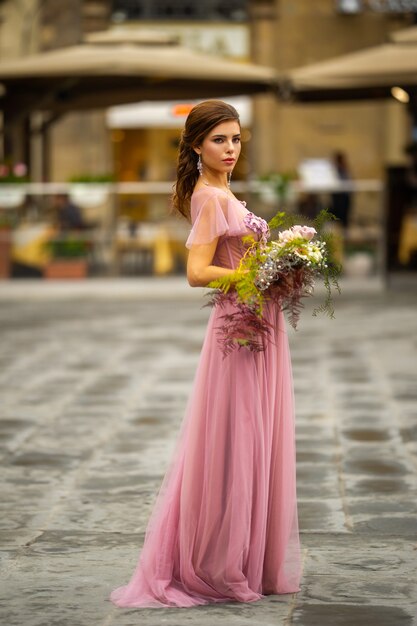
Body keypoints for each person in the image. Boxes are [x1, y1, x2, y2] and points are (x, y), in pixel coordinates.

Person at [110, 100, 301, 609]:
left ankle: (241, 555)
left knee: (252, 433)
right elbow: (197, 272)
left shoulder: (222, 191)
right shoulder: (210, 197)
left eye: (236, 139)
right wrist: (256, 275)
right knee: (235, 436)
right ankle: (217, 562)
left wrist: (277, 265)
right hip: (238, 325)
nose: (231, 149)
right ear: (196, 145)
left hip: (255, 318)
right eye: (219, 140)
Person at [330, 151, 352, 229]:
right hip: (338, 194)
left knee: (344, 213)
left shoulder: (343, 168)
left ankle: (344, 228)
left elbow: (347, 179)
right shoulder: (336, 169)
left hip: (344, 194)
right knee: (338, 213)